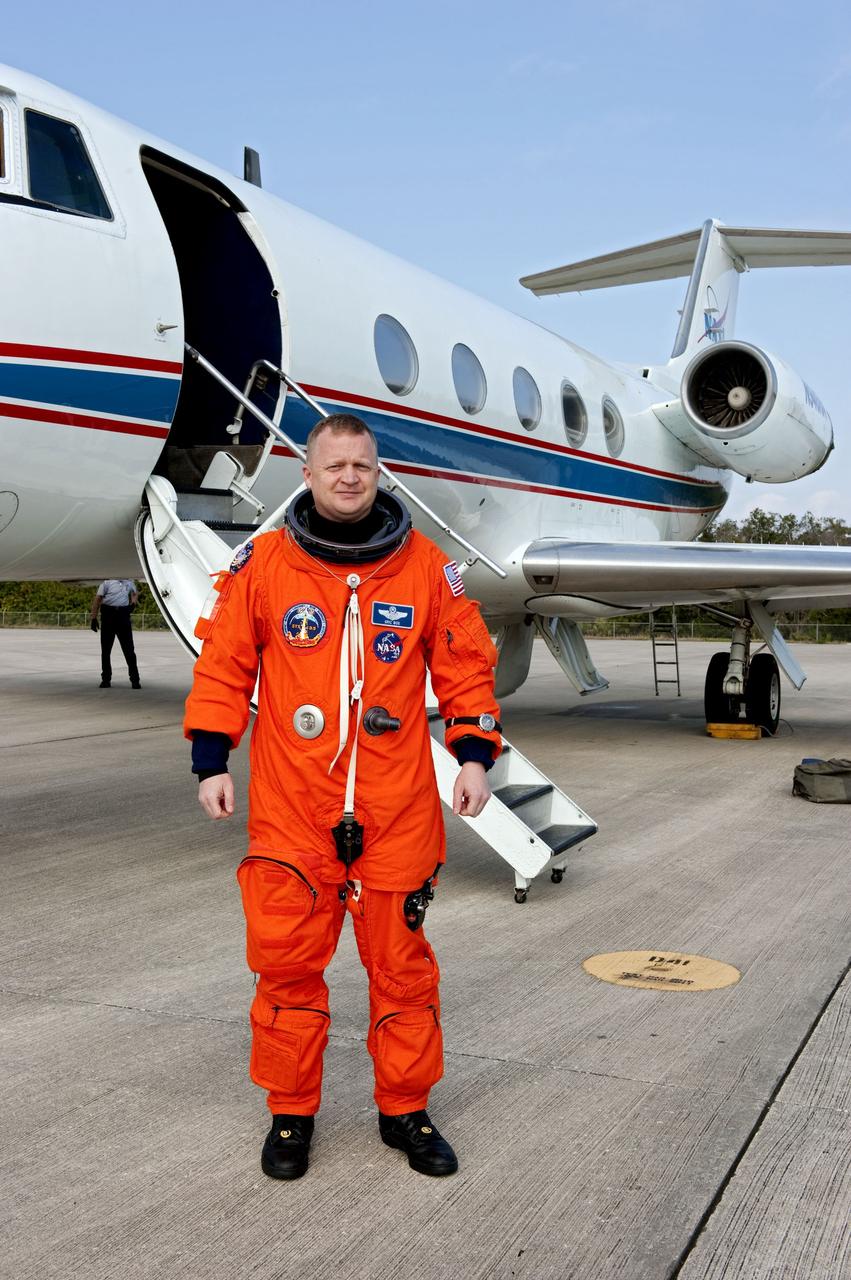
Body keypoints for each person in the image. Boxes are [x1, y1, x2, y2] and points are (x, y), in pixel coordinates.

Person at [184, 413, 502, 1181]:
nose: (349, 476)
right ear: (307, 474)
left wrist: (470, 754)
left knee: (403, 973)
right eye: (335, 466)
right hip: (294, 811)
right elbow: (224, 664)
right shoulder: (261, 564)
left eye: (362, 465)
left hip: (396, 809)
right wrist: (211, 760)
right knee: (288, 970)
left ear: (379, 472)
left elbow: (465, 665)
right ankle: (290, 1117)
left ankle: (405, 1110)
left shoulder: (426, 567)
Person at [90, 579, 141, 689]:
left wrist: (133, 603)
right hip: (108, 615)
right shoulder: (106, 583)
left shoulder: (129, 583)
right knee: (106, 651)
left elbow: (135, 593)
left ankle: (135, 680)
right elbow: (98, 599)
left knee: (129, 651)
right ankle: (106, 679)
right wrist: (93, 618)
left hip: (123, 615)